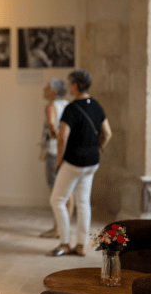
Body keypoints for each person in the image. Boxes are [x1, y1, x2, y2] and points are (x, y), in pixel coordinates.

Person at [47, 70, 112, 257]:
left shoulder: (72, 108)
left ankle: (65, 243)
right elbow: (107, 133)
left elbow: (61, 137)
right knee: (83, 202)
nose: (68, 87)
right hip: (92, 162)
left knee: (57, 200)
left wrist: (59, 161)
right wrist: (96, 148)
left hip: (74, 162)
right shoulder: (97, 105)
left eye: (69, 84)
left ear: (75, 86)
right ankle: (81, 246)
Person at [39, 79, 72, 239]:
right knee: (68, 191)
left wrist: (55, 136)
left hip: (54, 151)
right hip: (67, 151)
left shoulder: (51, 106)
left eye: (47, 87)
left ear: (53, 91)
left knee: (55, 191)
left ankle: (57, 228)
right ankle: (64, 227)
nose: (44, 90)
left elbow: (51, 125)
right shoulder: (67, 105)